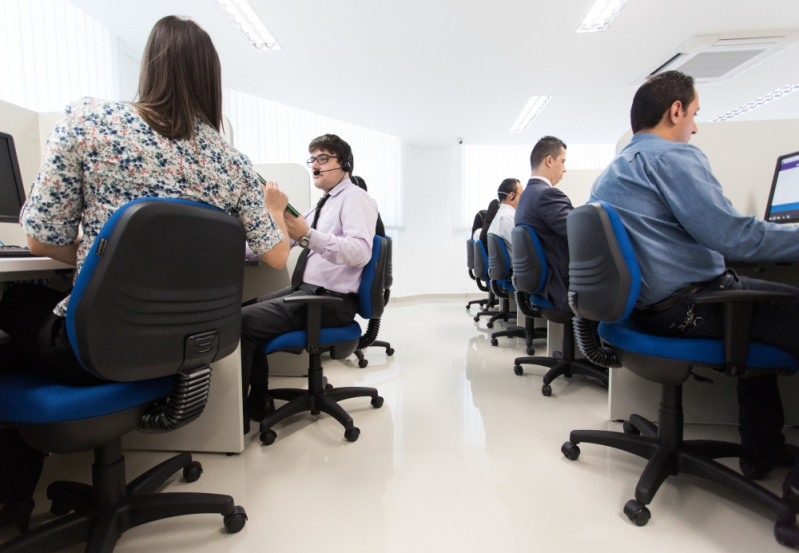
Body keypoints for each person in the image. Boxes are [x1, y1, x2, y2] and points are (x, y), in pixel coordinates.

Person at [0, 15, 290, 533]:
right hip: (190, 351)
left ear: (149, 65)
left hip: (97, 346)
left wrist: (108, 264)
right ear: (212, 81)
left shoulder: (89, 122)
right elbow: (275, 258)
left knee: (12, 308)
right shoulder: (234, 164)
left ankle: (14, 502)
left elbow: (41, 239)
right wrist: (275, 209)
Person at [589, 70, 799, 490]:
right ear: (676, 110)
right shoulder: (670, 158)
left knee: (760, 313)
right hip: (691, 308)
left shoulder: (611, 173)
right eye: (695, 114)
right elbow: (733, 236)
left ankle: (763, 449)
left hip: (647, 313)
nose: (696, 127)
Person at [241, 134, 378, 428]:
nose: (315, 166)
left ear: (345, 164)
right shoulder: (321, 206)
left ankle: (244, 410)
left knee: (241, 323)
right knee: (246, 308)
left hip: (330, 301)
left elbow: (360, 252)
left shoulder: (356, 199)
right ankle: (260, 398)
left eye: (323, 159)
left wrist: (307, 235)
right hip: (306, 292)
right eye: (312, 159)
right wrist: (242, 252)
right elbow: (282, 241)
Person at [514, 136, 571, 310]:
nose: (565, 169)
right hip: (561, 288)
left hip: (543, 286)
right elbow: (582, 234)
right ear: (549, 161)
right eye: (562, 161)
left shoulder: (524, 197)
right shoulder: (547, 195)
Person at [486, 178, 522, 258]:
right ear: (512, 195)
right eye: (521, 195)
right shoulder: (509, 217)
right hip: (517, 268)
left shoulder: (500, 215)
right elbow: (523, 247)